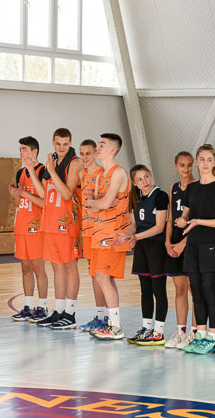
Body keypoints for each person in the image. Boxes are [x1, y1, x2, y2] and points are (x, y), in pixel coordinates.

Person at [176, 144, 215, 355]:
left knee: (209, 291)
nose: (205, 163)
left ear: (214, 162)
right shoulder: (192, 188)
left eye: (209, 159)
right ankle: (200, 336)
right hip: (193, 245)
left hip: (211, 245)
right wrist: (182, 221)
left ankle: (213, 339)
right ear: (196, 162)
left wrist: (198, 221)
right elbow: (186, 215)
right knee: (196, 292)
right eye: (202, 159)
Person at [29, 128, 82, 330]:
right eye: (58, 144)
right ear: (53, 142)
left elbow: (67, 194)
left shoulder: (74, 163)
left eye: (65, 144)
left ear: (70, 143)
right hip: (51, 221)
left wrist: (51, 171)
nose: (61, 148)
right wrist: (32, 170)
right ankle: (59, 310)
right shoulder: (53, 161)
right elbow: (44, 194)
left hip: (67, 222)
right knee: (56, 267)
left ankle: (71, 312)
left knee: (69, 266)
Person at [86, 133, 130, 340]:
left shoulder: (118, 172)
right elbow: (91, 205)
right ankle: (112, 324)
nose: (98, 147)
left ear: (112, 149)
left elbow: (100, 204)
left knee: (103, 277)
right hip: (98, 231)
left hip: (113, 234)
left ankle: (115, 326)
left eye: (102, 144)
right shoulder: (101, 174)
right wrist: (99, 203)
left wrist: (100, 203)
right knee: (101, 277)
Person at [122, 165, 169, 346]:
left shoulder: (160, 196)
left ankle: (159, 332)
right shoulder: (135, 198)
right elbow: (134, 223)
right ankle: (146, 329)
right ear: (134, 183)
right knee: (145, 290)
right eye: (140, 179)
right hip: (142, 247)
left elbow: (159, 227)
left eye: (147, 176)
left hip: (156, 247)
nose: (145, 181)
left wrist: (136, 236)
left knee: (159, 290)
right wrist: (127, 235)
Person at [9, 136, 48, 322]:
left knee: (38, 268)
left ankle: (43, 307)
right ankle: (28, 306)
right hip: (22, 226)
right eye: (20, 149)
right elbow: (18, 203)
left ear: (34, 152)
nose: (21, 152)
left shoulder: (43, 171)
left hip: (37, 227)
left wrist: (23, 193)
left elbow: (45, 202)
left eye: (25, 149)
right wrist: (16, 194)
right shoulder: (20, 173)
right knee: (25, 268)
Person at [164, 151, 197, 349]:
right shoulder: (173, 188)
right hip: (174, 239)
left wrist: (183, 243)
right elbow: (170, 218)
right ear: (175, 166)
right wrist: (168, 242)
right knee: (180, 288)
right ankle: (180, 331)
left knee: (194, 289)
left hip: (191, 239)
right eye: (182, 165)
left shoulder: (198, 187)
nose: (186, 169)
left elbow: (198, 221)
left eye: (189, 165)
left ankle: (195, 331)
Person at [77, 140, 109, 333]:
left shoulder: (103, 174)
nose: (85, 157)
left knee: (102, 276)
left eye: (88, 153)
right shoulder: (82, 174)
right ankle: (99, 316)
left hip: (100, 230)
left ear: (95, 153)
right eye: (82, 154)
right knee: (93, 275)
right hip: (86, 230)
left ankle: (107, 317)